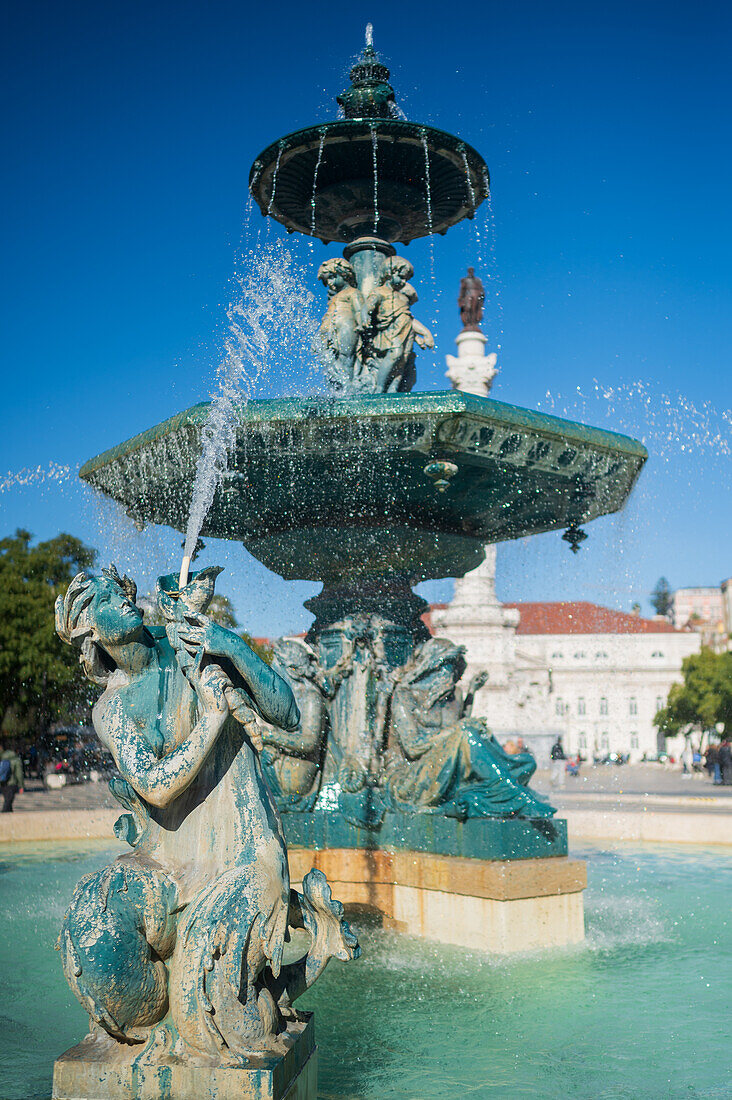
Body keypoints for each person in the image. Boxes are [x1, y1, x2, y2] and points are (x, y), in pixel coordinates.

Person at [0, 742, 24, 812]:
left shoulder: (2, 758)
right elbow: (19, 774)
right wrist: (21, 785)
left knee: (8, 801)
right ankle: (3, 817)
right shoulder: (16, 760)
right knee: (8, 802)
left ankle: (9, 818)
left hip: (2, 783)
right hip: (11, 783)